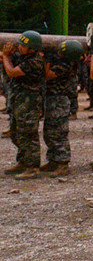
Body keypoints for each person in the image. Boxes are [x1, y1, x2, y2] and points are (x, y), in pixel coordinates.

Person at [1, 31, 44, 179]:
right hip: (19, 101)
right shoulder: (24, 57)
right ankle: (23, 161)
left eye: (23, 45)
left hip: (29, 102)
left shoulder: (35, 61)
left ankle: (33, 167)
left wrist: (6, 56)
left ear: (32, 48)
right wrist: (6, 54)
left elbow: (12, 72)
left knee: (28, 134)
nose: (20, 47)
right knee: (16, 133)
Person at [40, 39, 82, 176]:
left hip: (59, 100)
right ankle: (54, 159)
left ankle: (62, 162)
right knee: (50, 131)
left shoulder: (65, 65)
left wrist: (47, 61)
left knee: (58, 132)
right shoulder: (64, 61)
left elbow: (47, 75)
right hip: (53, 99)